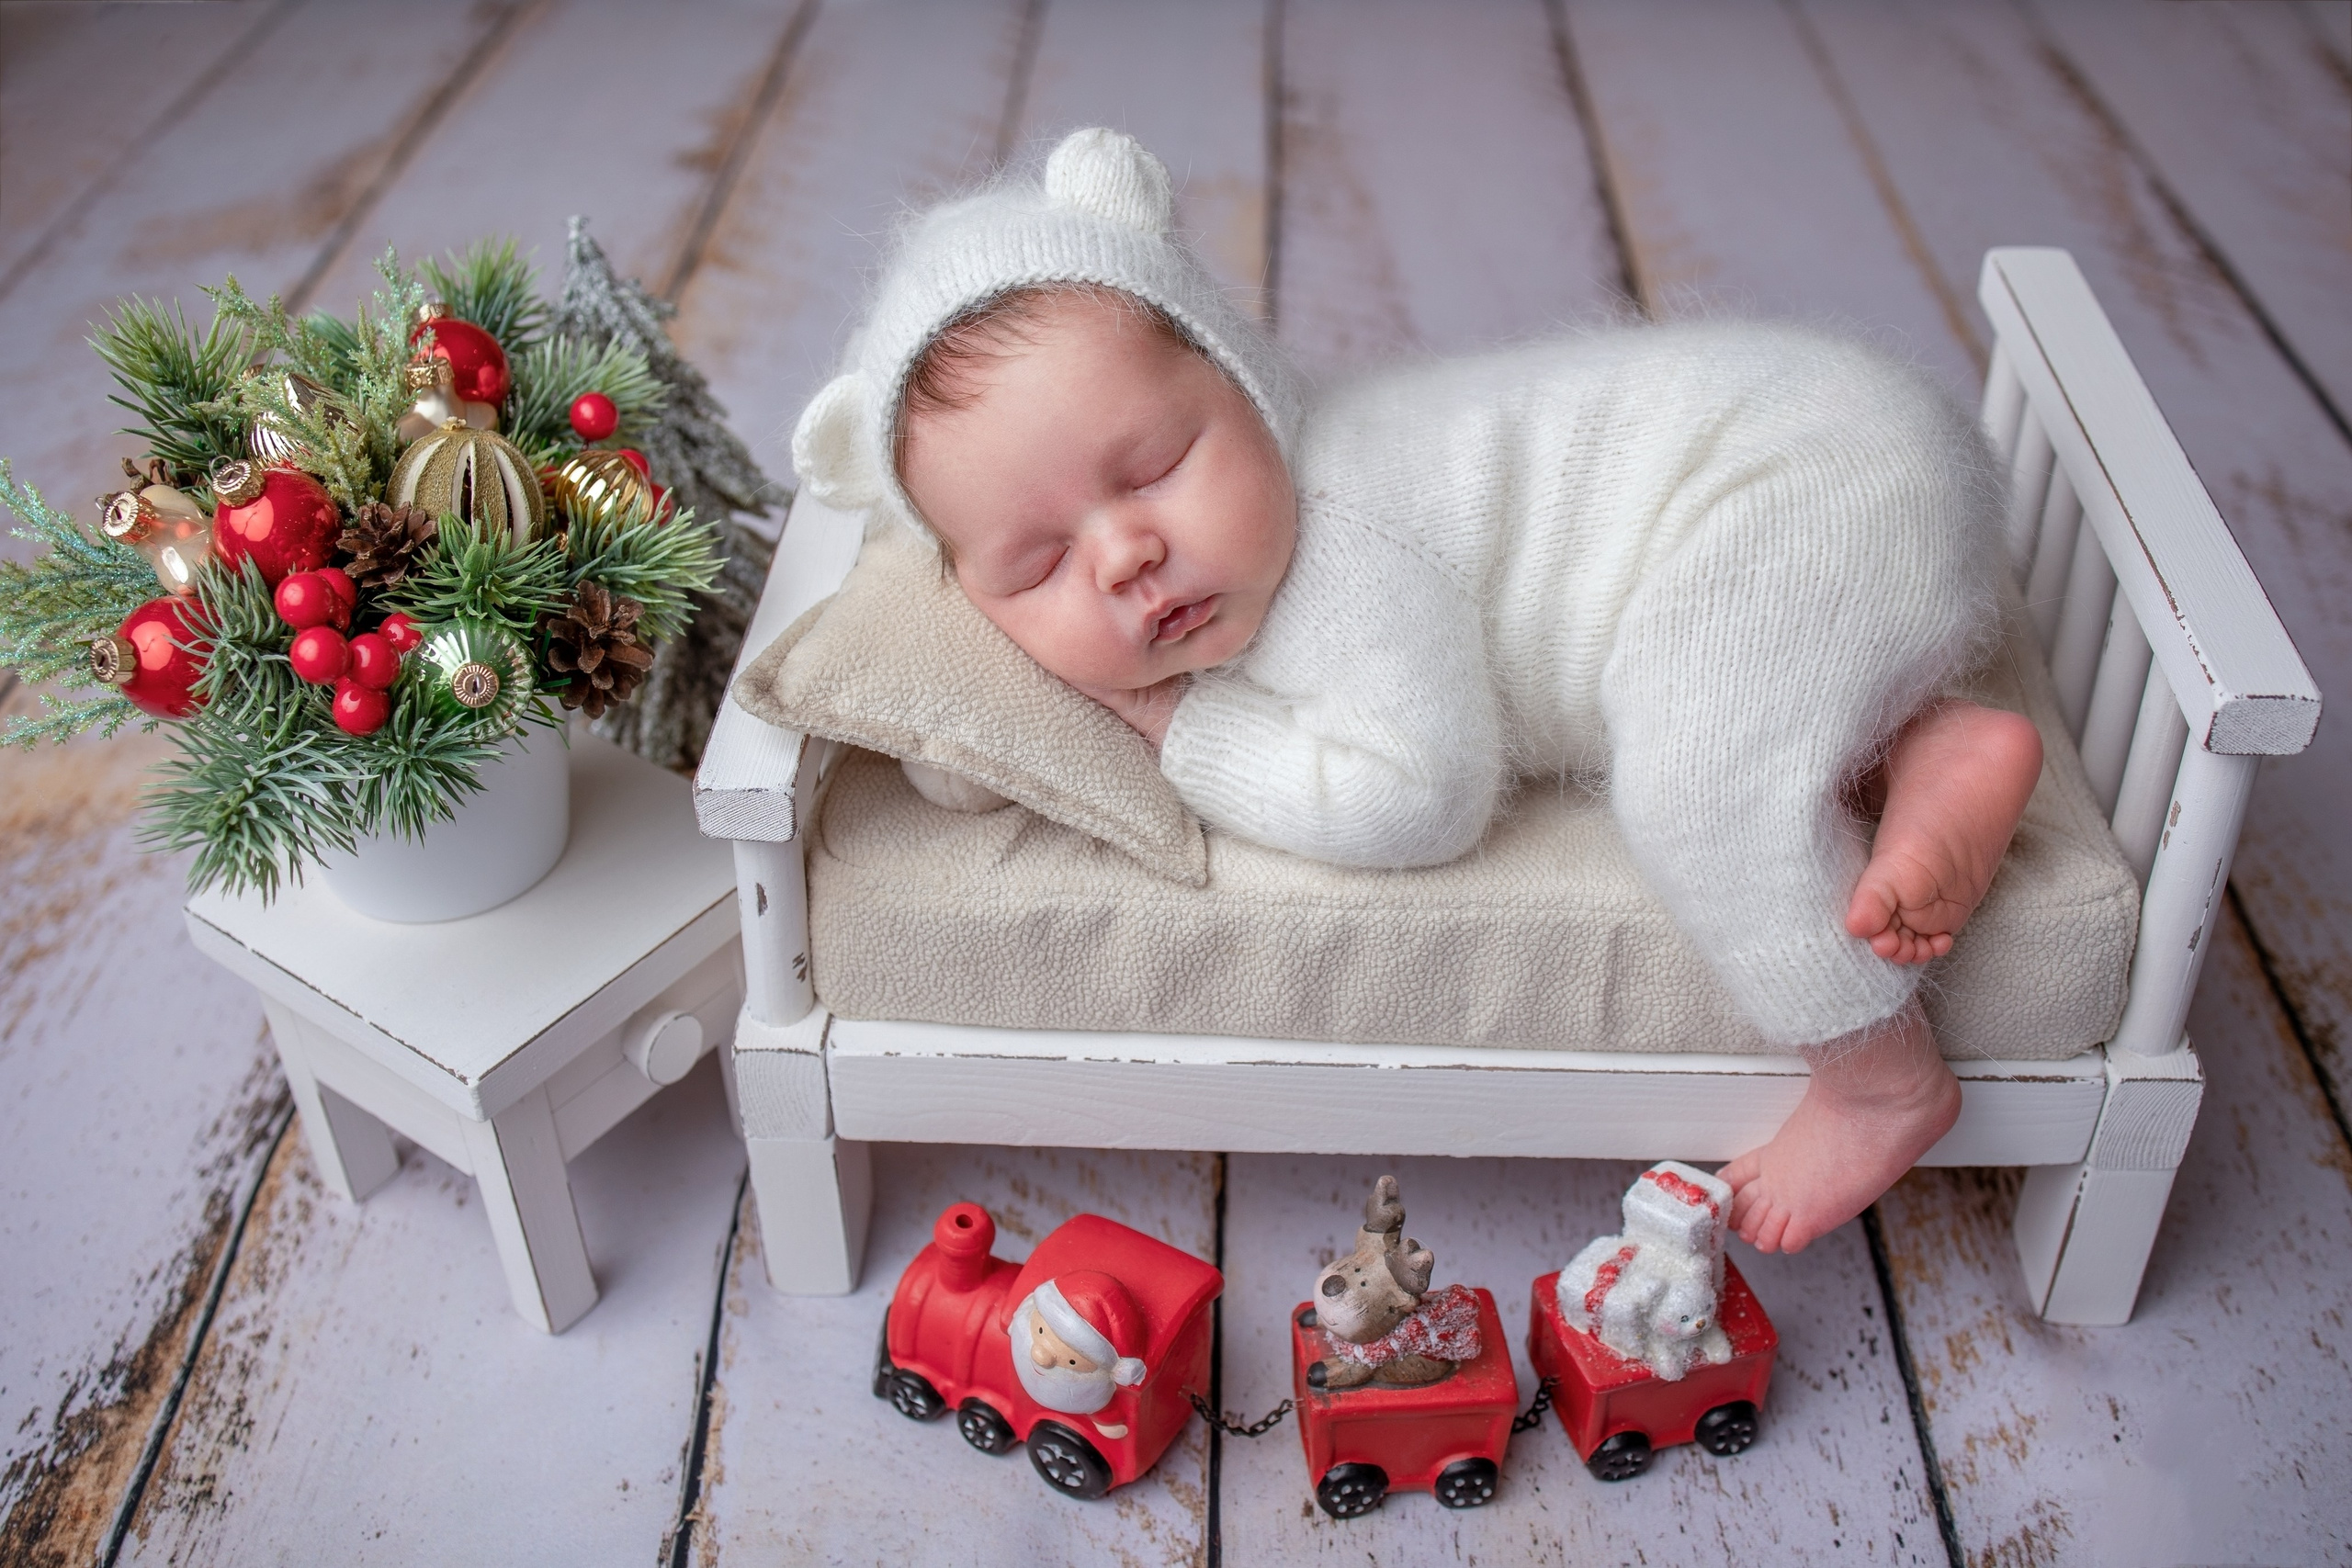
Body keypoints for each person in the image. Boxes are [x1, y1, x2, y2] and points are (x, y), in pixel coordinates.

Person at [792, 130, 2043, 1256]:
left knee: (1698, 782)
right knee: (1746, 681)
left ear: (1248, 382)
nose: (1124, 557)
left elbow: (1422, 797)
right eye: (1041, 563)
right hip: (1843, 466)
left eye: (1160, 466)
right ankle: (1924, 740)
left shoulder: (1343, 542)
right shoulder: (1228, 538)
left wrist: (1191, 730)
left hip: (1807, 474)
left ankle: (1882, 1080)